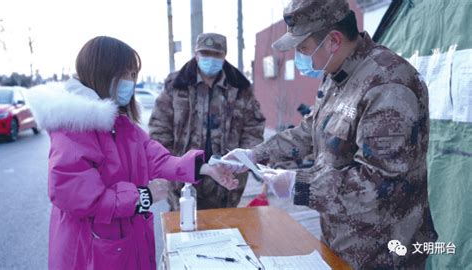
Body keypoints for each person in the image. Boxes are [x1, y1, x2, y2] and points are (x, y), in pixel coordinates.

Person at [221, 0, 437, 268]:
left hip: (385, 252)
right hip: (342, 240)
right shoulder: (338, 75)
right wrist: (255, 154)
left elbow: (379, 184)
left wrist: (298, 184)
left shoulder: (388, 83)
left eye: (303, 49)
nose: (299, 57)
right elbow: (311, 129)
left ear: (333, 40)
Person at [26, 36, 237, 270]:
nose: (131, 82)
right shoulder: (74, 127)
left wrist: (203, 167)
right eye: (126, 73)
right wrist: (142, 197)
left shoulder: (121, 124)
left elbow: (157, 158)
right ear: (103, 71)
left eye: (134, 74)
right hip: (91, 254)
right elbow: (74, 195)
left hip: (124, 244)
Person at [149, 33, 265, 210]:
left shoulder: (240, 86)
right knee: (185, 227)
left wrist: (244, 159)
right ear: (196, 54)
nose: (210, 59)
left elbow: (253, 127)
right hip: (183, 179)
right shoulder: (177, 84)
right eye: (205, 53)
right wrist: (170, 164)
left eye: (216, 54)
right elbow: (159, 128)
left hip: (227, 179)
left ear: (224, 56)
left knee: (223, 229)